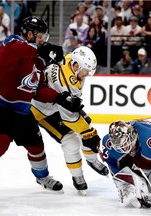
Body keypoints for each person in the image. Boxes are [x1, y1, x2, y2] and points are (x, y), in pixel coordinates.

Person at [0, 16, 83, 201]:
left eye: (45, 37)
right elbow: (21, 50)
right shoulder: (12, 43)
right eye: (41, 36)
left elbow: (39, 90)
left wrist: (61, 98)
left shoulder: (39, 61)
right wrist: (43, 49)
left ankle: (43, 177)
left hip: (21, 110)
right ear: (29, 34)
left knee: (36, 145)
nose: (44, 40)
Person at [31, 46, 109, 195]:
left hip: (61, 102)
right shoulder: (67, 84)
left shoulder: (70, 61)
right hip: (44, 111)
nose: (87, 74)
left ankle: (91, 160)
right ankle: (77, 176)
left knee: (87, 130)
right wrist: (88, 133)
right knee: (71, 141)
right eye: (86, 70)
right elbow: (70, 118)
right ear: (77, 66)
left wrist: (87, 131)